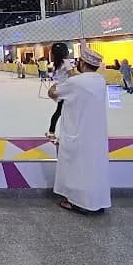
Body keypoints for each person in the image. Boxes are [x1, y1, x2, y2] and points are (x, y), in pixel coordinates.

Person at [47, 48, 111, 214]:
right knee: (94, 167)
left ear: (82, 63)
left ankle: (77, 202)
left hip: (78, 132)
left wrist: (55, 85)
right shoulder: (100, 81)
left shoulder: (76, 82)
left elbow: (53, 93)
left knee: (77, 166)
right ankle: (97, 200)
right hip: (96, 134)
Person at [46, 42, 74, 141]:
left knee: (59, 112)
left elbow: (57, 77)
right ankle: (54, 133)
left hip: (59, 89)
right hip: (67, 91)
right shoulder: (66, 62)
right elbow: (71, 76)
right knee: (66, 113)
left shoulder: (56, 63)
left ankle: (51, 131)